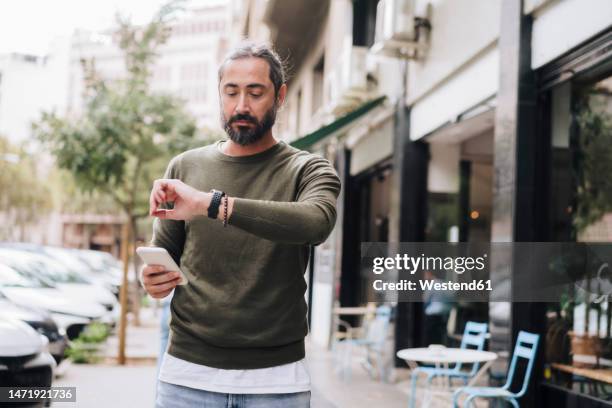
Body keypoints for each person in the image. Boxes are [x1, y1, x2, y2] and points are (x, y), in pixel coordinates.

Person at [140, 42, 341, 408]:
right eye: (231, 92)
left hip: (277, 381)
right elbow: (165, 259)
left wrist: (211, 204)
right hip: (187, 375)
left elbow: (316, 223)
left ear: (279, 96)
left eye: (255, 92)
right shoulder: (184, 167)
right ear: (219, 94)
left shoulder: (309, 170)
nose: (241, 106)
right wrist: (153, 280)